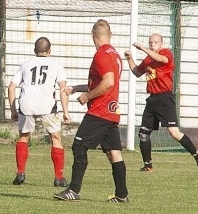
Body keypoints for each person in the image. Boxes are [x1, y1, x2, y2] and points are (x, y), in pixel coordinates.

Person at [54, 19, 129, 203]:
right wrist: (77, 89)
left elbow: (108, 82)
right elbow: (101, 82)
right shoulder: (115, 54)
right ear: (110, 35)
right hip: (112, 110)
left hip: (99, 110)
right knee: (114, 153)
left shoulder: (101, 55)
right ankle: (122, 195)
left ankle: (73, 190)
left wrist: (87, 97)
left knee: (79, 146)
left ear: (92, 35)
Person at [125, 33, 198, 173]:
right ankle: (148, 165)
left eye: (155, 42)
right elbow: (137, 72)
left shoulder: (165, 53)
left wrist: (143, 48)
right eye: (150, 42)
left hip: (165, 98)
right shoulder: (148, 59)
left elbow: (162, 59)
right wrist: (129, 59)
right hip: (152, 99)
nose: (152, 44)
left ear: (161, 44)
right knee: (143, 133)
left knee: (174, 133)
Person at [7, 37, 71, 187]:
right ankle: (59, 177)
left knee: (23, 136)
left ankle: (20, 173)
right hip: (46, 105)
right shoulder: (56, 65)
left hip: (26, 104)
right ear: (50, 50)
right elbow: (63, 89)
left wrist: (13, 110)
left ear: (35, 51)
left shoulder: (26, 64)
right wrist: (66, 111)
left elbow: (11, 87)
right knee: (55, 138)